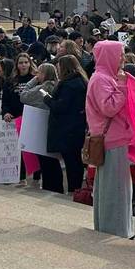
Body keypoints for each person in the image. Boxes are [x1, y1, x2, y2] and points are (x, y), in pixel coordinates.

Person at [85, 40, 133, 239]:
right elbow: (109, 108)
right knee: (116, 188)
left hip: (113, 138)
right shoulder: (101, 79)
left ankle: (114, 226)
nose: (122, 58)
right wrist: (122, 86)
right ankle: (116, 229)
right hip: (112, 139)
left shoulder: (103, 77)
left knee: (114, 187)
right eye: (120, 54)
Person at [19, 62, 64, 192]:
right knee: (53, 159)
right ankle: (55, 186)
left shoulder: (43, 87)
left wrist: (33, 80)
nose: (36, 75)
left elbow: (23, 96)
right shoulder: (57, 85)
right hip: (53, 125)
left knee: (46, 160)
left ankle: (50, 186)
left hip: (41, 124)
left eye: (39, 72)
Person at [48, 55, 89, 192]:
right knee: (75, 158)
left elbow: (61, 107)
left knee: (71, 160)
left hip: (66, 127)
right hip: (77, 124)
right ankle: (75, 187)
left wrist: (48, 100)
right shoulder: (82, 81)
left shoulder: (68, 85)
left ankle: (73, 187)